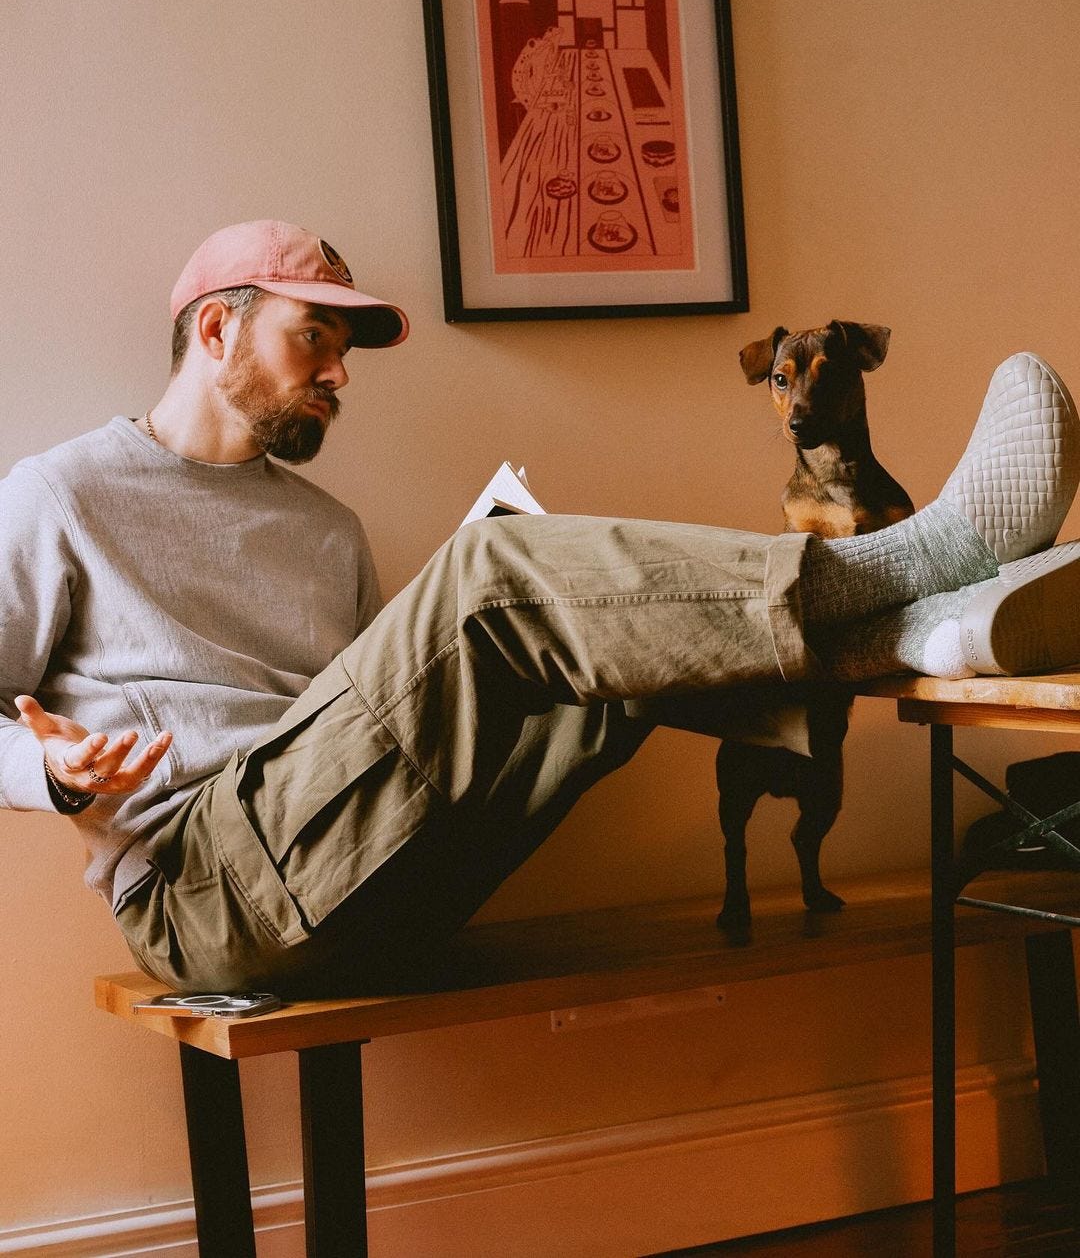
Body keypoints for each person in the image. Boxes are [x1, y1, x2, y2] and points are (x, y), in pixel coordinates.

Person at [3, 219, 1079, 996]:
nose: (339, 373)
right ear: (214, 331)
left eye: (345, 351)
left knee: (595, 672)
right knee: (495, 582)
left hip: (382, 885)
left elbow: (369, 734)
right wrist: (49, 775)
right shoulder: (61, 496)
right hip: (207, 894)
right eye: (313, 339)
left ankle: (912, 630)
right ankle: (933, 560)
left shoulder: (325, 528)